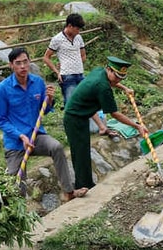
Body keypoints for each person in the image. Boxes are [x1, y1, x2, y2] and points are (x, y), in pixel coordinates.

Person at [0, 47, 88, 201]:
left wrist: (49, 100)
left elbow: (43, 111)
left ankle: (68, 192)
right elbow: (1, 120)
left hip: (36, 136)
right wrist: (21, 136)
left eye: (25, 62)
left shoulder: (37, 82)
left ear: (29, 62)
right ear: (11, 65)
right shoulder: (2, 89)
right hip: (16, 143)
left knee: (56, 147)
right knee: (16, 184)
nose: (23, 66)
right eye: (18, 63)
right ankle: (19, 214)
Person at [63, 56, 148, 190]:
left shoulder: (100, 72)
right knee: (80, 153)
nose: (118, 80)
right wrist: (137, 126)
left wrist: (124, 88)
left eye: (121, 78)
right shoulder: (103, 87)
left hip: (82, 115)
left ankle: (86, 184)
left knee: (84, 151)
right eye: (117, 76)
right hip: (74, 118)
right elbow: (115, 113)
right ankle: (83, 186)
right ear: (109, 69)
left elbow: (113, 82)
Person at [43, 13, 109, 135]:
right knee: (70, 104)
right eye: (77, 28)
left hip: (80, 74)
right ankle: (72, 130)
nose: (78, 31)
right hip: (67, 77)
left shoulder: (78, 38)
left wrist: (74, 62)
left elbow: (83, 56)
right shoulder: (57, 39)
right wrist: (57, 71)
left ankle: (99, 126)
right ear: (69, 26)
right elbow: (46, 58)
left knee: (87, 100)